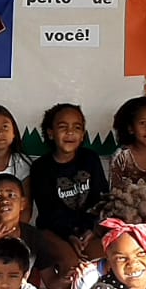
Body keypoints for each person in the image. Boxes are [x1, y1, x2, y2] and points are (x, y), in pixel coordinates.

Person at [30, 103, 107, 267]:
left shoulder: (90, 159)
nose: (70, 132)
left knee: (109, 249)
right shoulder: (40, 167)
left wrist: (91, 230)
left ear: (82, 135)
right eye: (62, 127)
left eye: (76, 127)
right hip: (55, 231)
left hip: (89, 229)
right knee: (71, 261)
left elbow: (101, 198)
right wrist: (69, 235)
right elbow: (48, 211)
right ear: (51, 133)